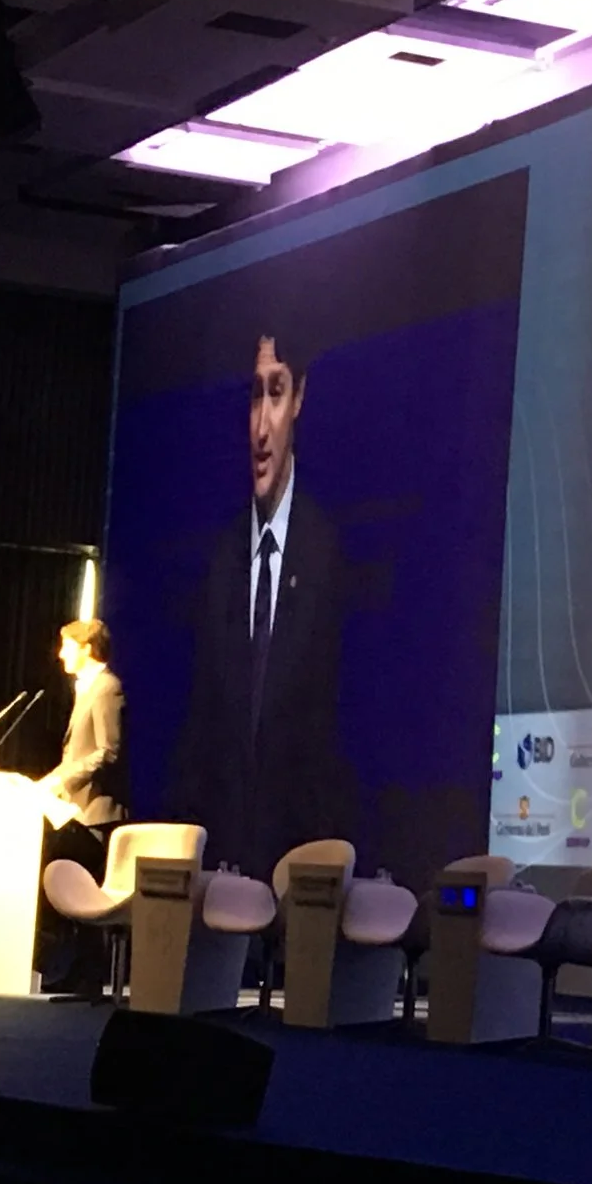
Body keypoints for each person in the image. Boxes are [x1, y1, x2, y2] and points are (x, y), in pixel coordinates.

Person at [167, 333, 353, 882]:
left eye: (277, 392)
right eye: (254, 396)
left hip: (303, 863)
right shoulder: (222, 560)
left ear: (299, 400)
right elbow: (202, 727)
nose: (262, 425)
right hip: (225, 860)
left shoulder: (328, 553)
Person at [37, 618, 125, 999]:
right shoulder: (87, 688)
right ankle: (77, 973)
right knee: (70, 890)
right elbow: (78, 753)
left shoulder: (107, 688)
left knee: (87, 894)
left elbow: (108, 752)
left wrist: (63, 781)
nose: (61, 654)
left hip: (96, 812)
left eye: (66, 646)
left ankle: (87, 977)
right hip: (76, 809)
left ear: (87, 648)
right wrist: (47, 782)